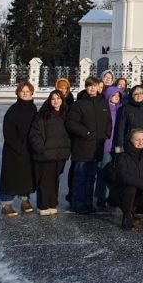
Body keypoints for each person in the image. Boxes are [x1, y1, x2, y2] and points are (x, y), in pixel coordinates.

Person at [66, 76, 112, 214]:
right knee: (80, 176)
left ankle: (88, 202)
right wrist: (85, 133)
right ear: (86, 87)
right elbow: (71, 123)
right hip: (82, 146)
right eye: (89, 86)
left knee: (91, 178)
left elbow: (108, 121)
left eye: (94, 85)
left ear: (99, 87)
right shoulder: (79, 104)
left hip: (97, 147)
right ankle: (78, 203)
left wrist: (106, 134)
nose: (92, 88)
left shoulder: (103, 104)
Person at [29, 89, 71, 215]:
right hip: (45, 155)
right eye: (53, 99)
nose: (56, 101)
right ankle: (43, 205)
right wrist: (41, 149)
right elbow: (34, 134)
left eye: (58, 99)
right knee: (44, 181)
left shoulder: (65, 115)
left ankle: (52, 203)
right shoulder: (43, 115)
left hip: (59, 155)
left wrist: (67, 148)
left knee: (54, 181)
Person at [0, 82, 37, 217]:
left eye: (28, 91)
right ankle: (6, 203)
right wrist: (18, 147)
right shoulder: (13, 110)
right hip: (13, 150)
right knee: (11, 177)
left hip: (29, 148)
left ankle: (25, 200)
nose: (25, 93)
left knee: (26, 176)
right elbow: (8, 131)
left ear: (32, 92)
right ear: (18, 93)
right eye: (22, 91)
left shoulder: (33, 108)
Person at [115, 128, 143, 231]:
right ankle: (126, 218)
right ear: (131, 140)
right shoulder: (123, 157)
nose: (141, 142)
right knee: (131, 189)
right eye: (137, 140)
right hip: (121, 194)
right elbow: (124, 177)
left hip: (138, 193)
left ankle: (132, 211)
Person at [96, 86, 124, 209]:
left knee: (114, 173)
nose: (116, 98)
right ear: (109, 96)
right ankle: (101, 197)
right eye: (114, 95)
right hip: (106, 146)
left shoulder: (121, 110)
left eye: (118, 96)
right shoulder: (104, 109)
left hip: (117, 146)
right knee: (103, 172)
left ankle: (110, 197)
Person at [115, 85, 143, 153]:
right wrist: (119, 146)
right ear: (132, 96)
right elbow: (121, 128)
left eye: (141, 93)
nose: (139, 96)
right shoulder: (127, 108)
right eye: (136, 94)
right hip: (130, 143)